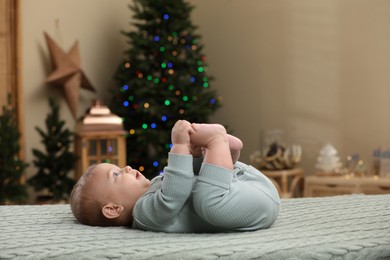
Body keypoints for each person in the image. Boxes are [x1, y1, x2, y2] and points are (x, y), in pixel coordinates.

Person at [70, 120, 280, 233]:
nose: (125, 167)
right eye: (115, 174)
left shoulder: (154, 185)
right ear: (113, 209)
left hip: (244, 185)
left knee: (191, 175)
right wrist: (179, 145)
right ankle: (218, 143)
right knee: (205, 201)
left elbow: (183, 180)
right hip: (253, 203)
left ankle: (222, 152)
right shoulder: (143, 215)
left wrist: (193, 153)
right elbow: (174, 195)